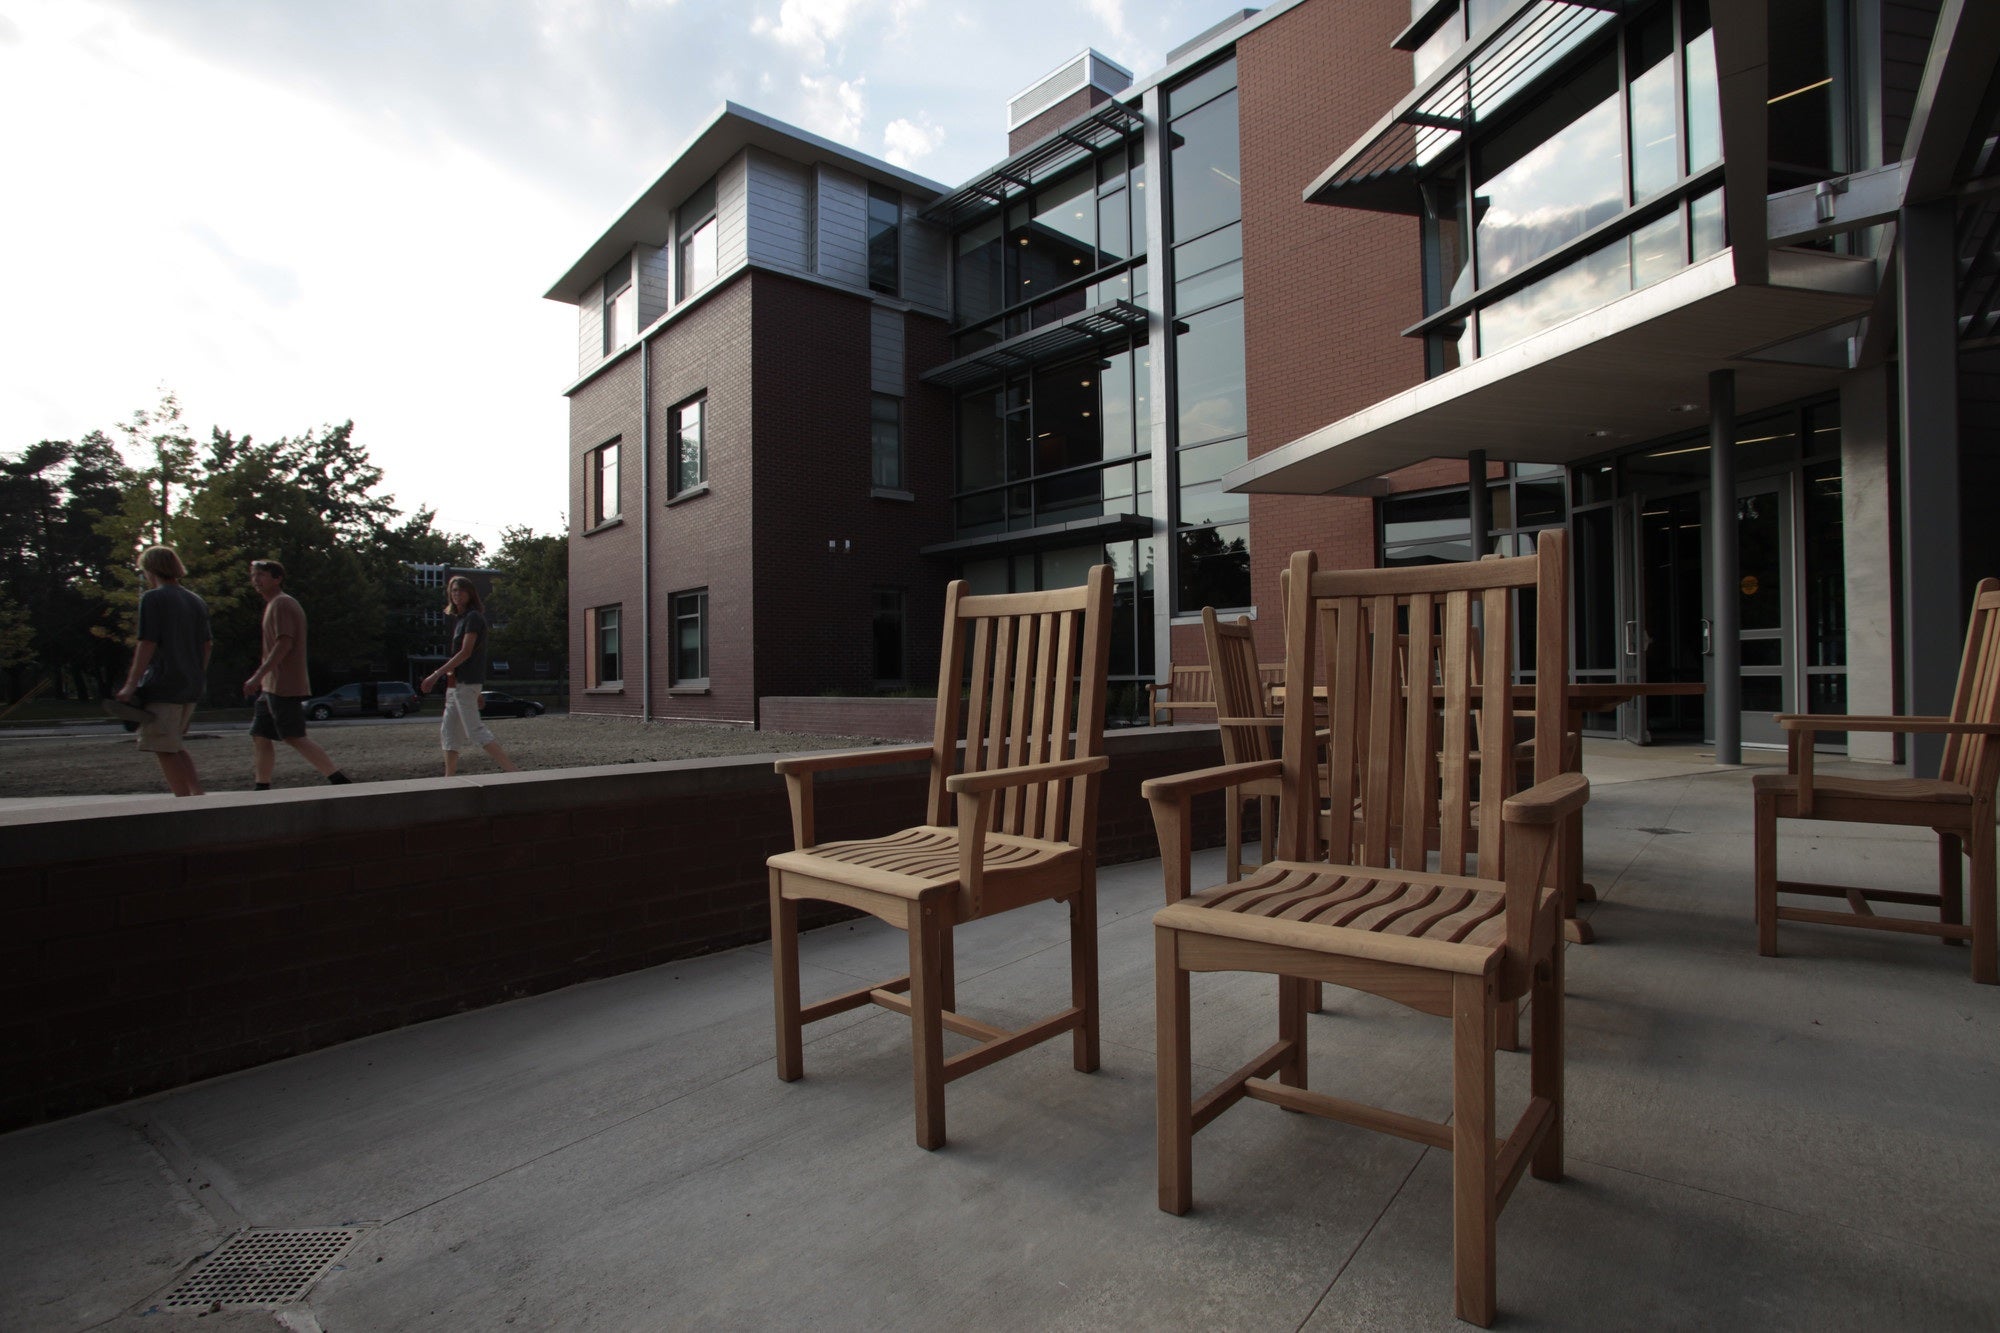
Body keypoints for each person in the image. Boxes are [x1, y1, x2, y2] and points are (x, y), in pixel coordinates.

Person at [242, 559, 351, 788]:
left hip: (284, 684)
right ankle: (262, 786)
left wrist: (258, 675)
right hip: (270, 686)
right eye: (254, 576)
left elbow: (284, 644)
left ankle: (339, 780)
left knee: (293, 735)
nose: (256, 580)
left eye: (261, 575)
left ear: (277, 578)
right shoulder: (274, 604)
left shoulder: (283, 604)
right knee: (260, 735)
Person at [113, 545, 211, 797]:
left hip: (165, 683)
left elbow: (147, 643)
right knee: (175, 744)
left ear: (151, 569)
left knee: (163, 747)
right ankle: (197, 796)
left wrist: (131, 683)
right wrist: (198, 673)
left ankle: (183, 802)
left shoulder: (153, 598)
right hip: (191, 684)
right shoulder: (195, 600)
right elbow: (206, 644)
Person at [422, 575, 520, 776]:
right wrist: (474, 691)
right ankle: (449, 778)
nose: (457, 594)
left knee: (474, 731)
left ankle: (514, 773)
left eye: (461, 590)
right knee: (449, 731)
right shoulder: (460, 619)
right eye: (454, 590)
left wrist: (435, 674)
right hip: (455, 685)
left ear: (470, 594)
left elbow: (466, 652)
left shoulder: (473, 618)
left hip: (464, 684)